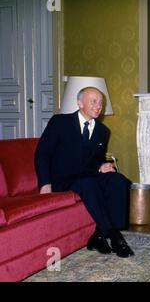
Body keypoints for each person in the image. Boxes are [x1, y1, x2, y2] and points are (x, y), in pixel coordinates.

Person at [34, 87, 135, 258]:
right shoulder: (60, 122)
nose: (98, 106)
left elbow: (95, 159)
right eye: (93, 101)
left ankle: (98, 236)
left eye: (100, 102)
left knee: (118, 180)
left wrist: (101, 166)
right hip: (63, 179)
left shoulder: (103, 131)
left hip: (88, 175)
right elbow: (42, 154)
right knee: (89, 183)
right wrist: (45, 183)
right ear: (79, 103)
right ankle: (114, 235)